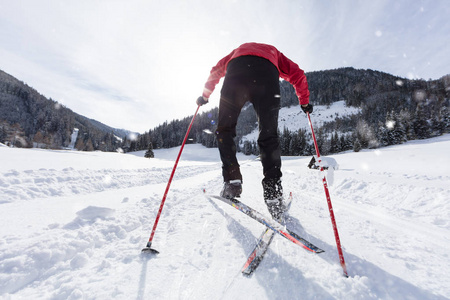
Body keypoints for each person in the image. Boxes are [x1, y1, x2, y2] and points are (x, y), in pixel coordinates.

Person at [196, 42, 313, 221]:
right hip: (267, 74)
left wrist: (205, 95)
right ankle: (273, 193)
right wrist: (304, 101)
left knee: (225, 130)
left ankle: (232, 181)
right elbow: (297, 74)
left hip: (236, 72)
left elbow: (216, 70)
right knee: (268, 135)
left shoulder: (237, 51)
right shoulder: (274, 52)